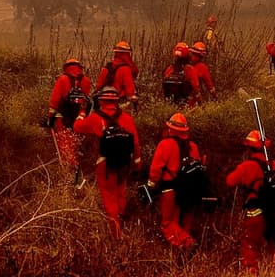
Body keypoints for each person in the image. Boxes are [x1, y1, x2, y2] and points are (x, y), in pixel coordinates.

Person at [73, 86, 141, 239]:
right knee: (120, 192)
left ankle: (116, 233)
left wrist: (81, 113)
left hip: (105, 164)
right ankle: (121, 219)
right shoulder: (127, 119)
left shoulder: (95, 118)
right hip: (124, 163)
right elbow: (136, 144)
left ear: (101, 101)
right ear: (117, 102)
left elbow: (77, 127)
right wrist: (138, 163)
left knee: (108, 196)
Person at [225, 130, 275, 274]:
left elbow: (230, 181)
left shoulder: (247, 166)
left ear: (249, 148)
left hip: (256, 213)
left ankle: (251, 271)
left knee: (250, 245)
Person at [147, 112, 204, 250]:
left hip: (170, 189)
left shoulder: (165, 144)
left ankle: (188, 243)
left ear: (170, 128)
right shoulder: (193, 146)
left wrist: (151, 184)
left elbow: (156, 169)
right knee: (186, 223)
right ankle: (184, 256)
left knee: (168, 224)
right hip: (190, 190)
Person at [46, 57, 91, 185]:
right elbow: (86, 100)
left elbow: (55, 100)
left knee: (65, 143)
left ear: (66, 67)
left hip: (62, 117)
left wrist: (50, 117)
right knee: (76, 142)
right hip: (79, 118)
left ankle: (71, 172)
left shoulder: (62, 79)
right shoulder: (86, 80)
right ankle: (78, 167)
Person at [96, 40, 139, 109]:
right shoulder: (125, 69)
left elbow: (98, 85)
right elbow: (130, 89)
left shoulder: (107, 67)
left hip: (105, 101)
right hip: (120, 101)